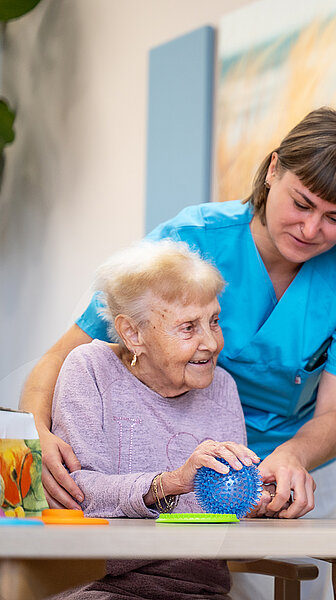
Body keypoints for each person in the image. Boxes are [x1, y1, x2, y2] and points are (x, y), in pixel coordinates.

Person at [20, 107, 336, 598]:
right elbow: (62, 355)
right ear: (274, 169)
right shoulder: (193, 239)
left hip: (293, 459)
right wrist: (36, 436)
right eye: (301, 203)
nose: (311, 229)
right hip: (174, 453)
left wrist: (291, 456)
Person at [49, 240, 265, 598]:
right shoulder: (90, 368)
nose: (211, 343)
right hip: (104, 587)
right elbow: (78, 493)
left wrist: (258, 503)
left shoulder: (222, 386)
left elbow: (228, 525)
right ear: (133, 334)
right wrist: (171, 482)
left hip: (202, 591)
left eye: (214, 321)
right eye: (188, 328)